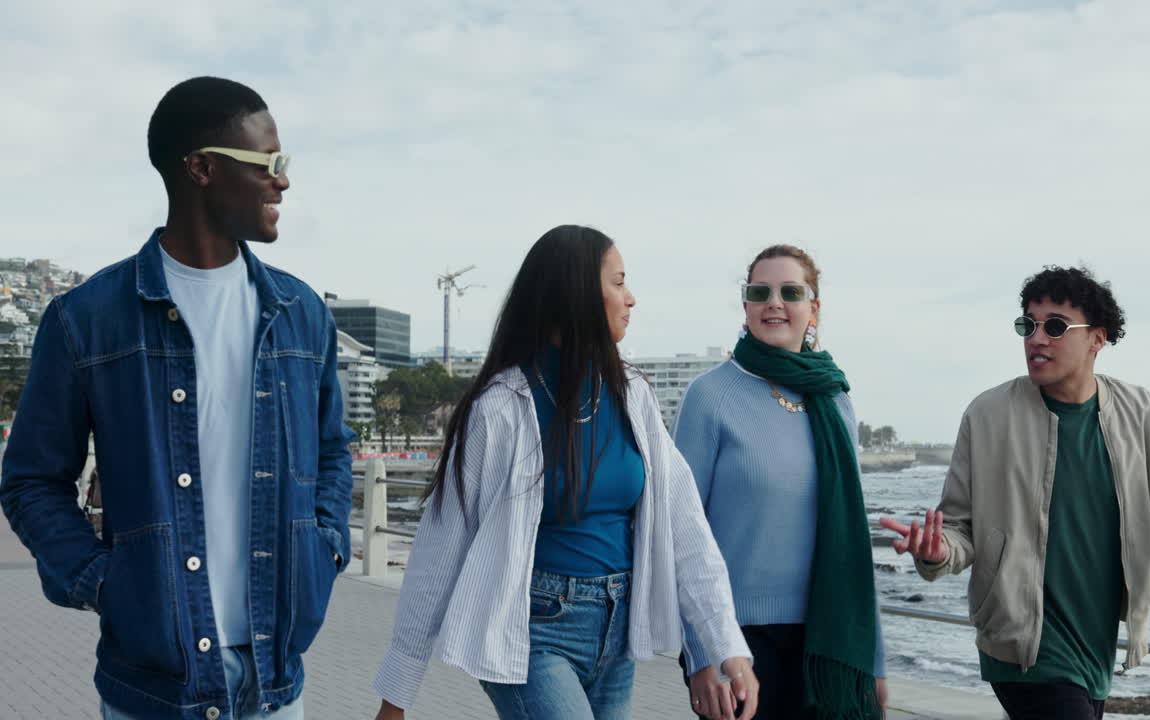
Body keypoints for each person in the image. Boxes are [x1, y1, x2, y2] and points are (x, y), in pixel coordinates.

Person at [0, 76, 354, 720]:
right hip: (155, 680)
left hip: (276, 673)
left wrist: (326, 548)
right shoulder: (87, 319)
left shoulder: (302, 314)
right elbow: (30, 478)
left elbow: (332, 450)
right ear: (201, 169)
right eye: (271, 163)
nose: (284, 181)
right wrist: (102, 582)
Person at [373, 225, 758, 720]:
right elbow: (440, 547)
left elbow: (685, 526)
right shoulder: (501, 407)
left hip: (617, 630)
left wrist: (728, 647)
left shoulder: (632, 394)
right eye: (618, 282)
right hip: (530, 632)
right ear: (575, 293)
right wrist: (396, 695)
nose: (631, 297)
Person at [880, 266, 1150, 720]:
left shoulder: (1142, 415)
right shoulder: (988, 414)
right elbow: (959, 527)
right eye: (1027, 325)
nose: (1036, 338)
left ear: (1097, 339)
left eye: (1054, 326)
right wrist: (936, 552)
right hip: (1021, 650)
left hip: (1095, 648)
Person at [673, 245, 887, 720]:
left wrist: (873, 661)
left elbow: (851, 539)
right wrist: (700, 658)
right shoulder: (709, 396)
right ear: (745, 305)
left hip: (827, 640)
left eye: (790, 291)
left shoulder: (836, 401)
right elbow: (679, 533)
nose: (774, 302)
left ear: (814, 307)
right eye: (759, 291)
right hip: (738, 643)